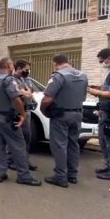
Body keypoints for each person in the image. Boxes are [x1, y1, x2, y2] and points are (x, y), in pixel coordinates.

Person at [0, 57, 41, 186]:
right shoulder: (8, 80)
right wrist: (23, 115)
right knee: (19, 145)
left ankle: (0, 173)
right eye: (12, 65)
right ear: (8, 66)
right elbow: (16, 98)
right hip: (7, 117)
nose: (13, 67)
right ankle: (24, 176)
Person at [40, 54, 88, 188]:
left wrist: (44, 110)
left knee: (59, 145)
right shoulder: (83, 76)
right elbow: (83, 97)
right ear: (69, 62)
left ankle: (61, 176)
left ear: (56, 63)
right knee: (73, 144)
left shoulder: (58, 76)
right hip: (77, 114)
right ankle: (72, 175)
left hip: (61, 115)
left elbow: (47, 98)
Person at [88, 48, 110, 180]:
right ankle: (109, 165)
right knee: (103, 140)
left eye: (102, 61)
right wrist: (99, 88)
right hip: (106, 111)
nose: (102, 64)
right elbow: (109, 88)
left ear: (109, 58)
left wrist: (97, 93)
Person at [7, 60, 38, 171]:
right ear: (18, 68)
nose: (27, 71)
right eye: (26, 69)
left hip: (27, 112)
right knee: (15, 138)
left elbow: (29, 93)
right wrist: (26, 93)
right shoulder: (12, 80)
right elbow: (21, 95)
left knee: (26, 137)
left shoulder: (27, 80)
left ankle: (24, 161)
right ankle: (11, 161)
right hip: (17, 112)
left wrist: (33, 99)